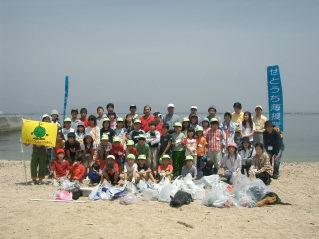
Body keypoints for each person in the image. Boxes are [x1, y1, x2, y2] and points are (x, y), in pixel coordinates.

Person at [25, 115, 49, 185]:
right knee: (33, 165)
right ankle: (34, 179)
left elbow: (51, 141)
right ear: (42, 120)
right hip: (35, 151)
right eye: (45, 119)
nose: (46, 120)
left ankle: (41, 179)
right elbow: (27, 142)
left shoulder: (49, 130)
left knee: (42, 166)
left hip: (43, 151)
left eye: (47, 119)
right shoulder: (35, 128)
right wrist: (25, 138)